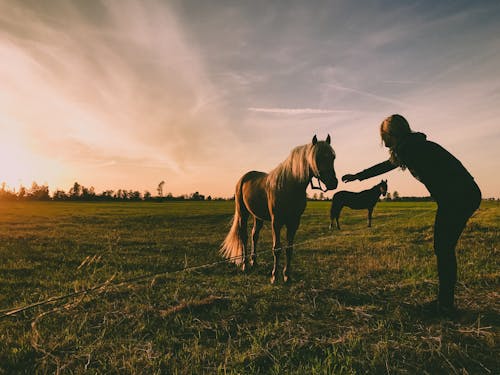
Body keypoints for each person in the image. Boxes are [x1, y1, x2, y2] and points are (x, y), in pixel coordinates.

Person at [343, 114, 481, 316]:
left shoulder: (410, 148)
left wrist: (359, 176)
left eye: (384, 137)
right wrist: (359, 176)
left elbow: (387, 165)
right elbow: (388, 164)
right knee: (444, 248)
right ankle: (445, 302)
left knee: (443, 248)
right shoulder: (412, 146)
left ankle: (445, 306)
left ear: (392, 134)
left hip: (458, 197)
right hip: (462, 195)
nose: (383, 142)